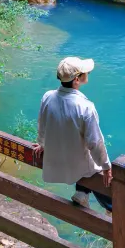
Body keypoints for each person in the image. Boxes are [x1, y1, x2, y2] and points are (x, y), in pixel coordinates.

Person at [35, 56, 112, 212]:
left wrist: (41, 143)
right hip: (77, 165)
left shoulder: (47, 97)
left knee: (87, 161)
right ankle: (110, 207)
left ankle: (82, 193)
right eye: (85, 72)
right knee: (99, 171)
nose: (87, 74)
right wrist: (106, 166)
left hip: (58, 161)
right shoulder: (85, 107)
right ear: (77, 80)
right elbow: (95, 143)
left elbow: (42, 124)